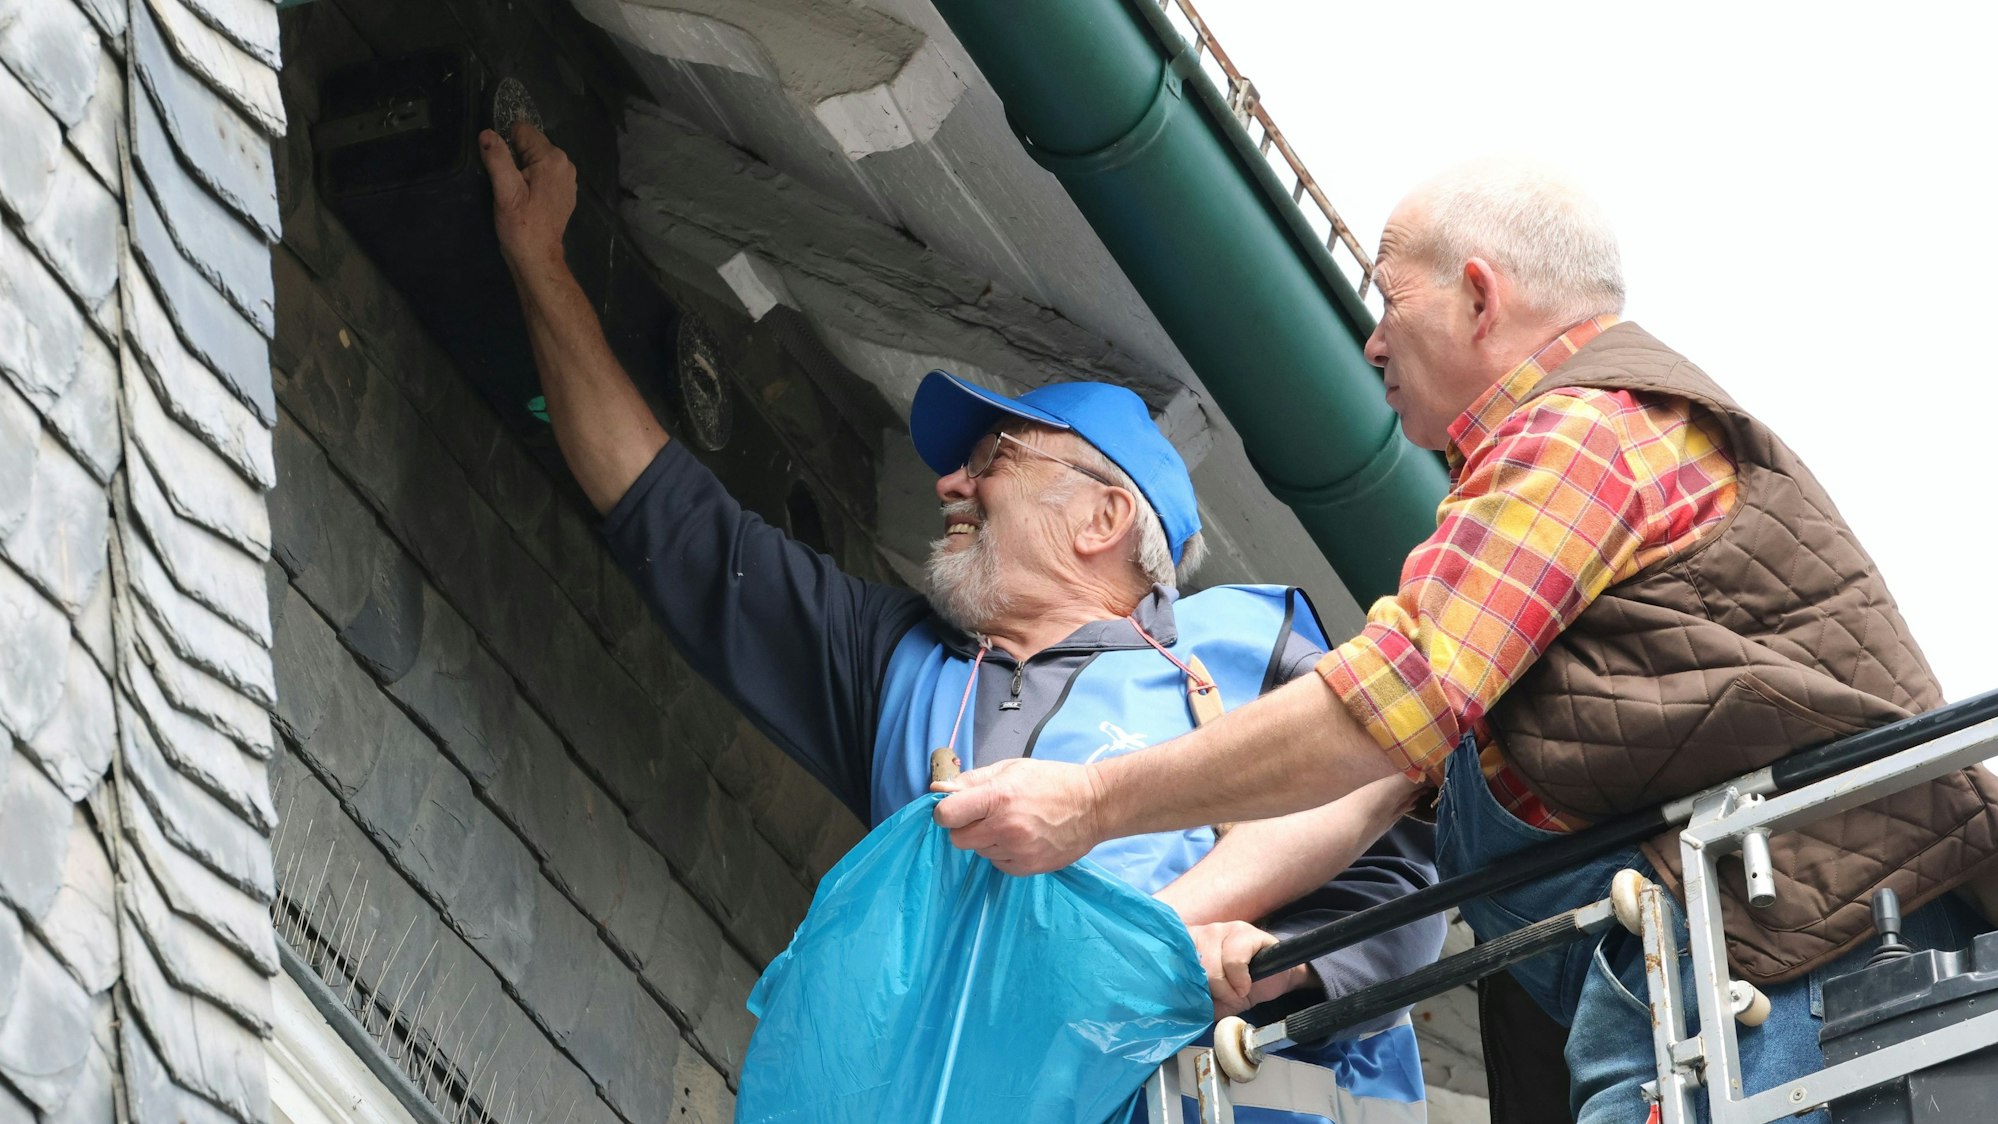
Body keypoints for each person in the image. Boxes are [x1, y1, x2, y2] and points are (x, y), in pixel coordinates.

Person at [933, 158, 1998, 1123]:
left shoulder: (1583, 434)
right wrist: (1149, 942)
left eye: (1389, 299)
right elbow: (1377, 775)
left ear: (1481, 297)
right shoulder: (1546, 490)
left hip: (1802, 979)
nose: (1372, 341)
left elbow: (1392, 698)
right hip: (1729, 984)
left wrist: (1090, 803)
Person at [478, 121, 1444, 1123]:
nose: (950, 482)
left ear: (1104, 519)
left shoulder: (1242, 655)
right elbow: (668, 517)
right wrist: (539, 262)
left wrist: (1275, 962)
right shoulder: (895, 667)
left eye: (994, 459)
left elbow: (1397, 864)